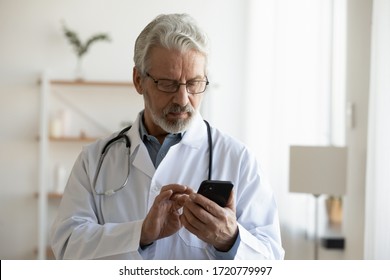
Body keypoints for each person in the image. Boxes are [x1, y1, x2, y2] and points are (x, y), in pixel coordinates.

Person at [50, 13, 284, 260]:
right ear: (138, 80)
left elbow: (271, 259)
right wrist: (140, 233)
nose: (182, 99)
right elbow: (66, 247)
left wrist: (230, 239)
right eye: (168, 84)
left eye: (194, 83)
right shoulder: (94, 160)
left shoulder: (240, 160)